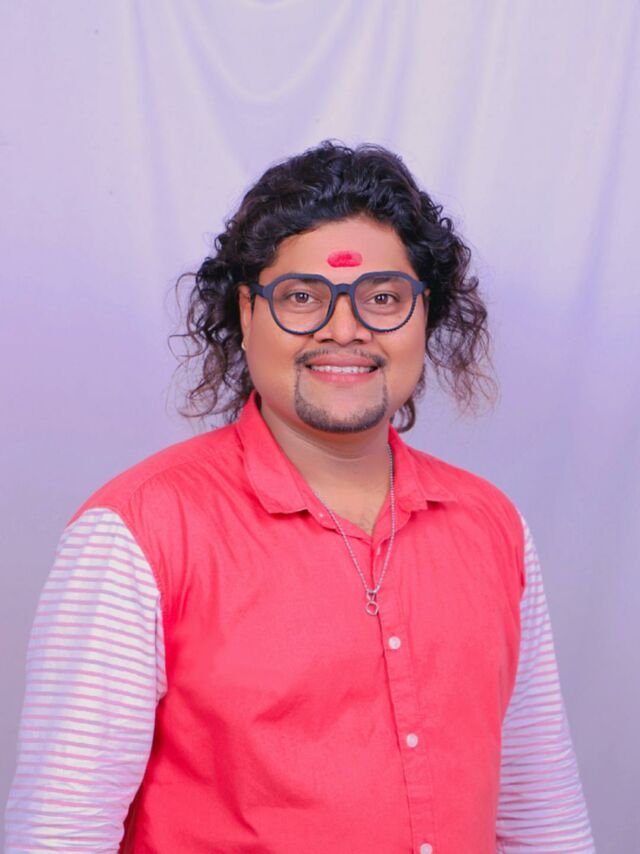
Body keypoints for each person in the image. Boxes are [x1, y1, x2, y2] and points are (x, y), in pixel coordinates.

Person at [4, 140, 595, 853]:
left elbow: (541, 816)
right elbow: (60, 835)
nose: (344, 329)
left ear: (426, 314)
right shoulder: (136, 535)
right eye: (303, 297)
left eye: (383, 297)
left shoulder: (492, 527)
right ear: (246, 311)